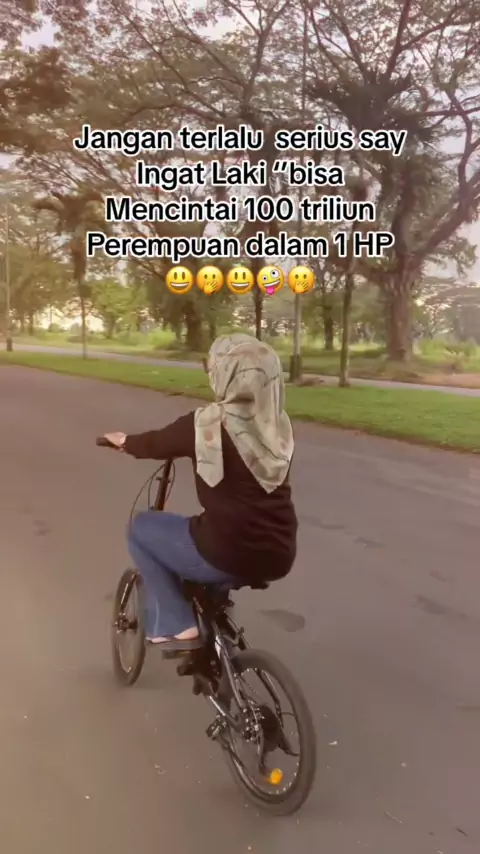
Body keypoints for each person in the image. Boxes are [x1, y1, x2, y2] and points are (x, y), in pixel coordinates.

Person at [103, 332, 297, 652]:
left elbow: (155, 443)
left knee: (141, 528)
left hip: (228, 548)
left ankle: (175, 622)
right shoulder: (277, 425)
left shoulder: (206, 424)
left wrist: (124, 442)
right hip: (280, 551)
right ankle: (217, 639)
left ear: (225, 373)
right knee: (217, 539)